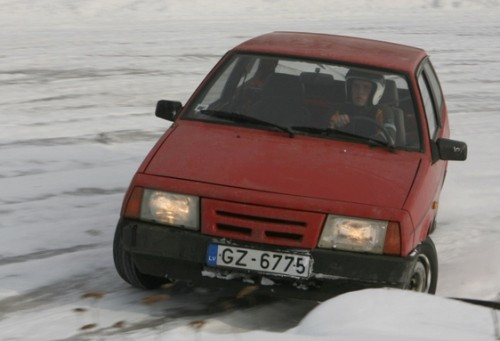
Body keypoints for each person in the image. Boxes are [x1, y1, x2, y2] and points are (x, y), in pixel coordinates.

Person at [328, 69, 396, 143]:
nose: (360, 92)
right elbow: (325, 135)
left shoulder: (383, 111)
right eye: (356, 86)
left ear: (375, 91)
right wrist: (338, 127)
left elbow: (389, 138)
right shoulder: (341, 109)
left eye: (366, 87)